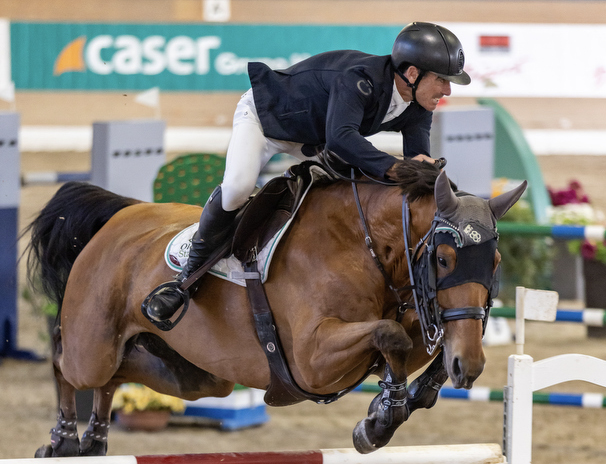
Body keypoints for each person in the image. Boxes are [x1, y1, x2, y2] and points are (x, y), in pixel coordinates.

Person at [144, 21, 471, 324]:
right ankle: (184, 277)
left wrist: (432, 179)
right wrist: (400, 168)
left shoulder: (417, 105)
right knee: (238, 187)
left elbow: (416, 161)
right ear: (413, 73)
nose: (447, 90)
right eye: (442, 80)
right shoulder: (361, 80)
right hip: (266, 120)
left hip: (312, 139)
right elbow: (342, 138)